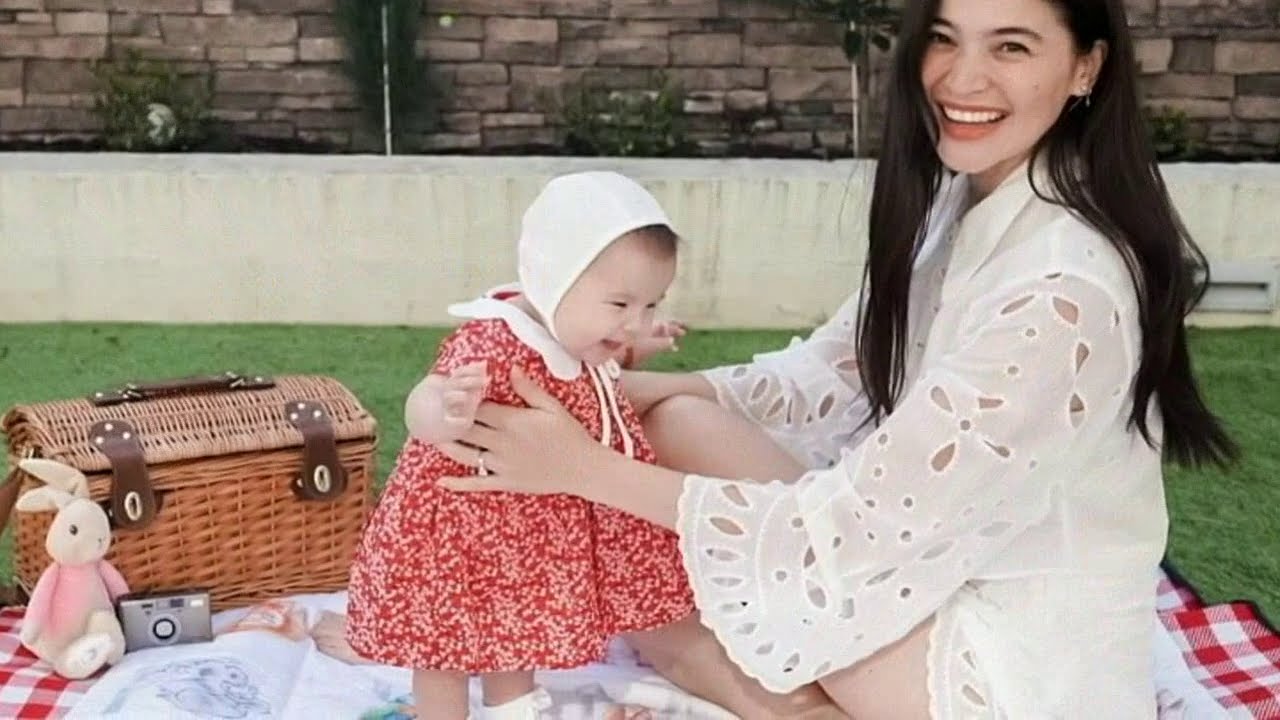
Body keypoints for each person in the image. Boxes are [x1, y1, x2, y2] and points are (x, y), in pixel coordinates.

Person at [432, 0, 1239, 718]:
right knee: (666, 450)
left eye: (1011, 47)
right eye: (945, 38)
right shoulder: (966, 197)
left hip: (1010, 659)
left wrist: (583, 468)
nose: (962, 78)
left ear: (1086, 67)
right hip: (930, 562)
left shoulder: (1064, 291)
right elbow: (834, 370)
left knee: (645, 574)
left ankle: (788, 709)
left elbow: (854, 534)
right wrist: (631, 390)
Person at [344, 171, 697, 720]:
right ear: (553, 281)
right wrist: (446, 409)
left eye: (650, 305)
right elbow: (423, 400)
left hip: (524, 535)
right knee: (443, 646)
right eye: (620, 304)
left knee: (516, 629)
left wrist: (632, 342)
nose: (635, 322)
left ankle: (514, 708)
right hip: (456, 536)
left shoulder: (571, 333)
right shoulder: (496, 340)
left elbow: (590, 362)